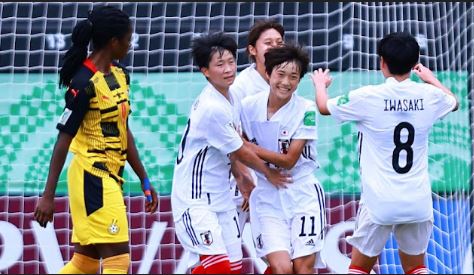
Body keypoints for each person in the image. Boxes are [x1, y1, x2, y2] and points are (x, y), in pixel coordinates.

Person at [311, 31, 459, 274]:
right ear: (415, 62)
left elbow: (323, 107)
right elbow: (453, 101)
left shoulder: (368, 96)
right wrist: (431, 79)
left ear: (382, 62)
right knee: (416, 268)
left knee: (359, 269)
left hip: (379, 201)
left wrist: (319, 85)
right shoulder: (430, 96)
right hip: (417, 200)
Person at [33, 6, 158, 274]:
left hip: (110, 177)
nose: (129, 44)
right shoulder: (83, 83)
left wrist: (144, 178)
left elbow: (124, 131)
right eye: (128, 39)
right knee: (118, 261)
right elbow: (63, 140)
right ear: (114, 42)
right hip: (92, 177)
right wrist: (48, 196)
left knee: (84, 264)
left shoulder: (121, 75)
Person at [170, 31, 290, 274]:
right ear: (205, 71)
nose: (228, 69)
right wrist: (269, 174)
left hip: (222, 198)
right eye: (219, 64)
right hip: (195, 200)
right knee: (221, 269)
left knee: (233, 268)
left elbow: (229, 149)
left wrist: (241, 177)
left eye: (231, 62)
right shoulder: (211, 107)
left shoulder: (232, 97)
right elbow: (240, 149)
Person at [241, 44, 326, 274]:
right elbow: (233, 146)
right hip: (267, 195)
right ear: (268, 74)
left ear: (299, 81)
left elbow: (288, 161)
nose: (286, 82)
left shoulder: (306, 109)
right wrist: (245, 177)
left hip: (302, 192)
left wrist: (246, 146)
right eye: (280, 74)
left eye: (293, 77)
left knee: (302, 267)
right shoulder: (248, 107)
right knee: (281, 268)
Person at [228, 18, 285, 246]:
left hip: (274, 181)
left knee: (280, 254)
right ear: (253, 50)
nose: (275, 47)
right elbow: (231, 138)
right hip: (241, 182)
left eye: (279, 43)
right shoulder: (241, 86)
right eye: (268, 43)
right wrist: (245, 181)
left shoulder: (285, 81)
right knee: (227, 251)